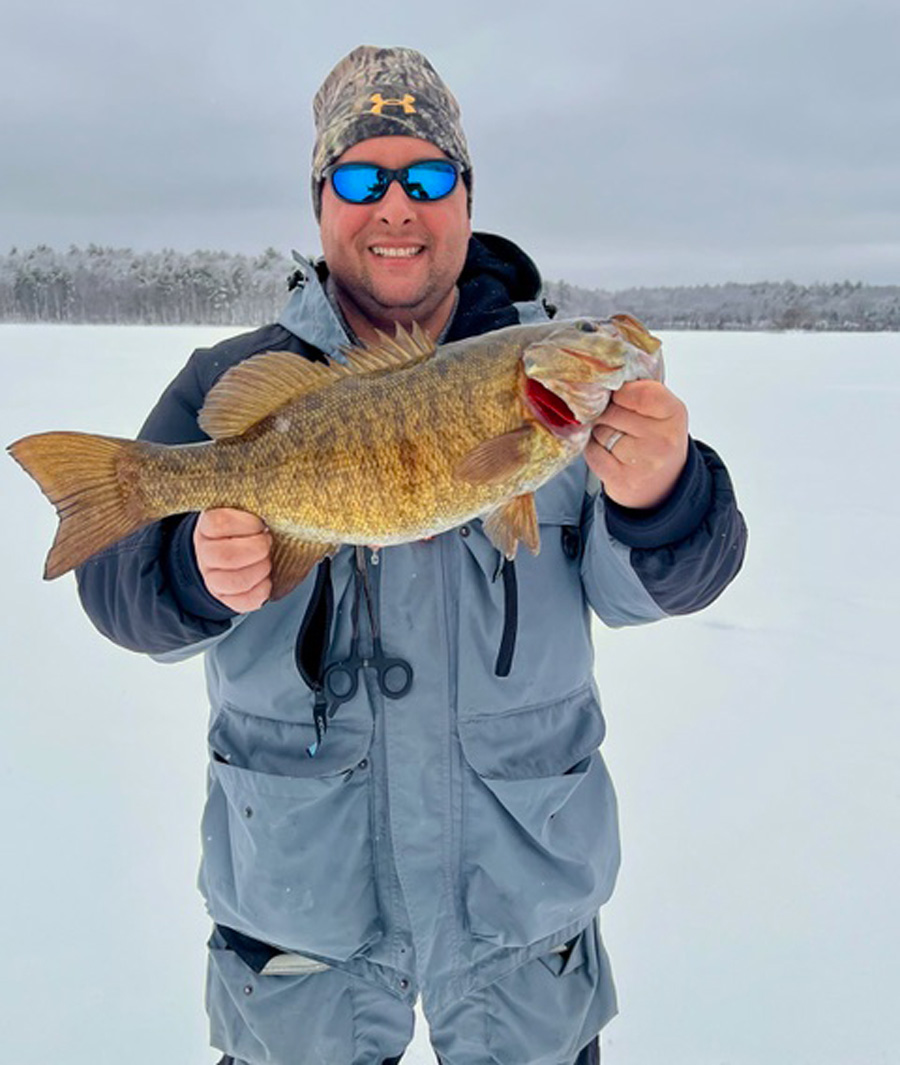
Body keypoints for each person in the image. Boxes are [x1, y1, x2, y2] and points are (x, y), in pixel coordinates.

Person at [76, 45, 747, 1065]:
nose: (397, 206)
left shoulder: (552, 399)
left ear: (467, 200)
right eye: (361, 179)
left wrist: (663, 493)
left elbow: (660, 584)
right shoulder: (237, 378)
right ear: (320, 204)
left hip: (523, 928)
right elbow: (114, 587)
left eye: (427, 177)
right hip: (300, 929)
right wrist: (188, 574)